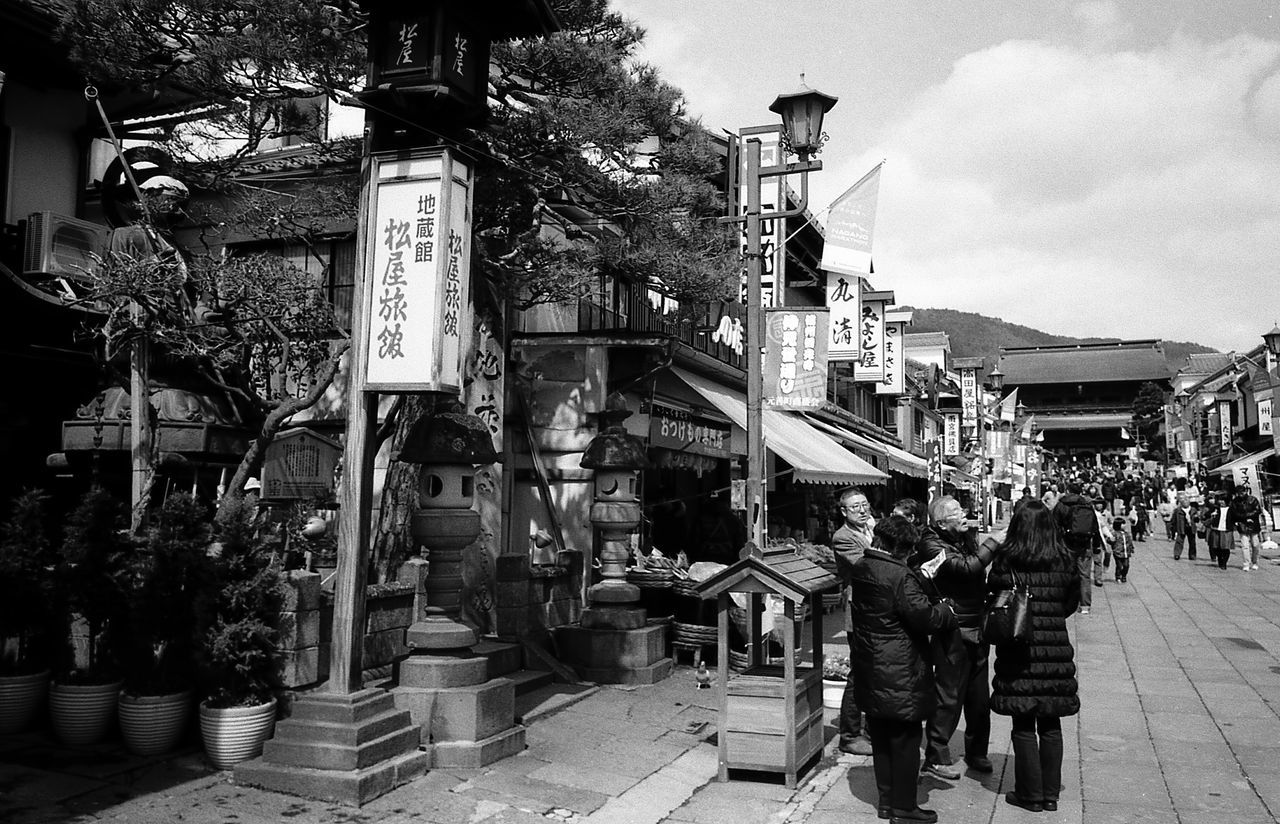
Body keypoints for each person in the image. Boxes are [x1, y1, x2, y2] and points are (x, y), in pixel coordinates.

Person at [847, 515, 956, 823]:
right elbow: (924, 618)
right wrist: (946, 611)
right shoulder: (899, 575)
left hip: (871, 662)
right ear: (901, 547)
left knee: (881, 736)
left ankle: (886, 802)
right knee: (906, 740)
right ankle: (904, 807)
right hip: (900, 666)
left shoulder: (862, 567)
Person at [988, 500, 1081, 813]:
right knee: (1051, 723)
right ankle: (1051, 795)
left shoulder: (1006, 558)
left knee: (1023, 722)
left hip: (1018, 647)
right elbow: (1071, 601)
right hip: (1054, 647)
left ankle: (1030, 794)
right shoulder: (1065, 557)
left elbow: (996, 596)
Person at [913, 495, 995, 780]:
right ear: (940, 521)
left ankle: (977, 752)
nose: (964, 515)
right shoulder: (931, 543)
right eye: (956, 512)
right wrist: (993, 543)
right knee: (949, 695)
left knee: (979, 698)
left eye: (962, 511)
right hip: (953, 626)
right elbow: (965, 568)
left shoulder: (964, 538)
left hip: (977, 624)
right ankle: (936, 754)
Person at [833, 487, 876, 755]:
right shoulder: (843, 537)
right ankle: (849, 735)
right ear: (843, 511)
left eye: (865, 504)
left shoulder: (870, 530)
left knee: (875, 671)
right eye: (855, 506)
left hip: (877, 609)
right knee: (859, 673)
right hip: (859, 609)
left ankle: (871, 730)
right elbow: (869, 566)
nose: (862, 510)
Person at [1053, 482, 1100, 614]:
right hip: (1085, 545)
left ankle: (1065, 600)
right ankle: (1085, 605)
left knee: (1065, 573)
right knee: (1084, 576)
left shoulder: (1061, 505)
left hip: (1066, 545)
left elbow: (1054, 525)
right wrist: (1096, 545)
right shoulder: (1087, 505)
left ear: (1067, 490)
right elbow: (1095, 527)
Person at [1227, 486, 1269, 571]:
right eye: (1239, 493)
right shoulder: (1235, 502)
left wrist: (1248, 516)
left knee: (1255, 545)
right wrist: (1244, 518)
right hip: (1242, 525)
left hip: (1253, 524)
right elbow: (1234, 513)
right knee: (1245, 546)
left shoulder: (1253, 500)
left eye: (1242, 492)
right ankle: (1246, 563)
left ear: (1246, 491)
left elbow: (1257, 511)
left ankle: (1255, 562)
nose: (1241, 494)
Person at [1171, 493, 1198, 561]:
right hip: (1181, 527)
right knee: (1179, 541)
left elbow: (1197, 519)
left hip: (1191, 527)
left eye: (1187, 501)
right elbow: (1173, 520)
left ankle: (1192, 555)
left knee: (1192, 542)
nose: (1185, 502)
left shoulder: (1193, 510)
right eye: (1184, 501)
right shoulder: (1177, 510)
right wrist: (1173, 529)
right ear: (1181, 503)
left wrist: (1196, 518)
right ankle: (1177, 554)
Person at [1093, 497, 1114, 583]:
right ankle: (1097, 577)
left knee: (1108, 552)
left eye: (1100, 504)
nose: (1099, 505)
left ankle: (1105, 566)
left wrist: (1110, 533)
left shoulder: (1106, 513)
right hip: (1094, 537)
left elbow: (1107, 524)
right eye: (1097, 504)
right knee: (1096, 558)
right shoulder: (1093, 514)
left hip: (1104, 536)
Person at [1111, 517, 1134, 582]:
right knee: (1119, 566)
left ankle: (1124, 575)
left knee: (1126, 565)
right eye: (1123, 524)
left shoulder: (1127, 534)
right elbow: (1110, 540)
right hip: (1117, 552)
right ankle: (1118, 576)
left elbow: (1130, 541)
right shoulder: (1115, 533)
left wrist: (1131, 547)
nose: (1125, 525)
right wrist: (1111, 541)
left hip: (1126, 553)